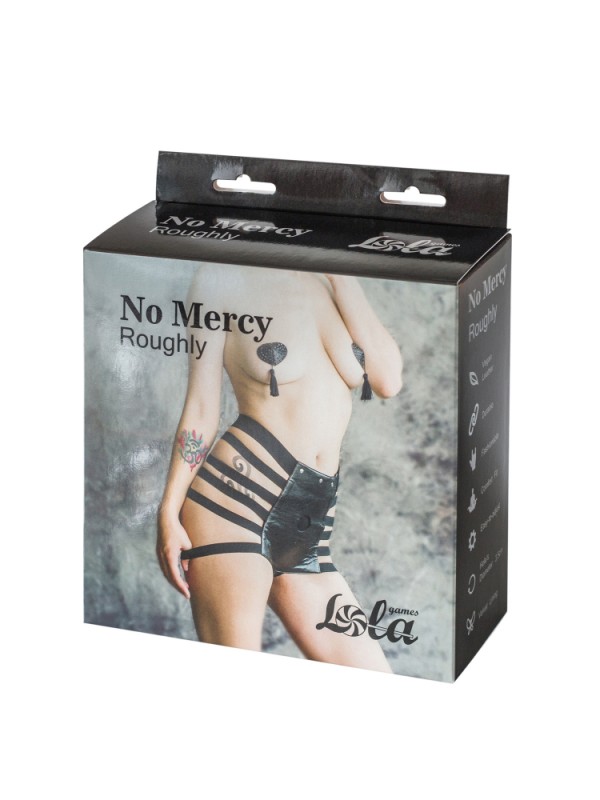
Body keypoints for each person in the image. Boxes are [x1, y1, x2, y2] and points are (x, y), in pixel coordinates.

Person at [157, 264, 403, 671]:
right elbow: (201, 407)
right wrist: (168, 512)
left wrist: (342, 275)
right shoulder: (219, 280)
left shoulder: (325, 283)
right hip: (235, 508)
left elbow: (388, 380)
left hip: (310, 525)